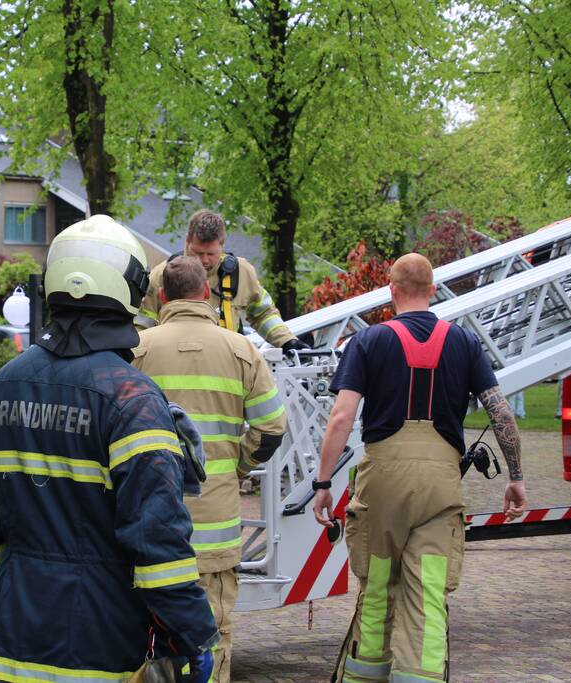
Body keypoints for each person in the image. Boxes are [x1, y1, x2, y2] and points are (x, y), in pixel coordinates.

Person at [0, 215, 220, 683]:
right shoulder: (132, 400)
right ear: (129, 289)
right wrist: (194, 633)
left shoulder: (0, 388)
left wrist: (19, 592)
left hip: (12, 645)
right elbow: (158, 541)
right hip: (101, 646)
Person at [312, 253, 527, 683]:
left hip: (382, 485)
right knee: (428, 596)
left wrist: (323, 483)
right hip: (439, 485)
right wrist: (516, 477)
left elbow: (340, 417)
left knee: (375, 592)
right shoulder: (464, 343)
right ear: (432, 291)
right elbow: (501, 414)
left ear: (391, 291)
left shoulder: (368, 341)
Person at [132, 256, 287, 683]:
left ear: (161, 296)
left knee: (146, 636)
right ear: (207, 294)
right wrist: (238, 465)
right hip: (216, 526)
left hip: (151, 525)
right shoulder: (241, 350)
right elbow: (272, 426)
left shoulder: (137, 350)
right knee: (213, 634)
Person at [135, 209, 309, 354]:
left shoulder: (242, 273)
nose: (204, 260)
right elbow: (143, 325)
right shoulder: (162, 276)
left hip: (226, 363)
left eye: (211, 254)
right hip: (177, 359)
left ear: (222, 244)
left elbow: (263, 313)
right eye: (198, 252)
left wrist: (287, 341)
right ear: (187, 241)